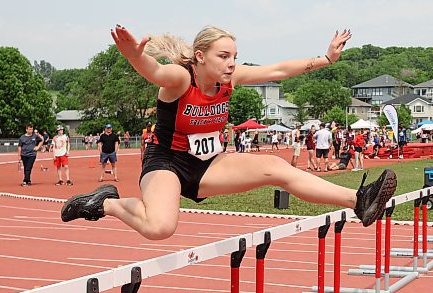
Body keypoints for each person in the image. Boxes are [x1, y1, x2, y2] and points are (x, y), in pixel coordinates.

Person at [61, 25, 396, 240]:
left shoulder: (230, 80)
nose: (232, 63)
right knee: (160, 227)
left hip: (208, 163)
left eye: (234, 56)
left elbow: (278, 69)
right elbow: (154, 71)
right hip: (167, 162)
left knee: (277, 169)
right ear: (200, 57)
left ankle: (359, 200)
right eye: (224, 56)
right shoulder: (181, 79)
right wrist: (135, 57)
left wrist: (325, 58)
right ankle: (107, 203)